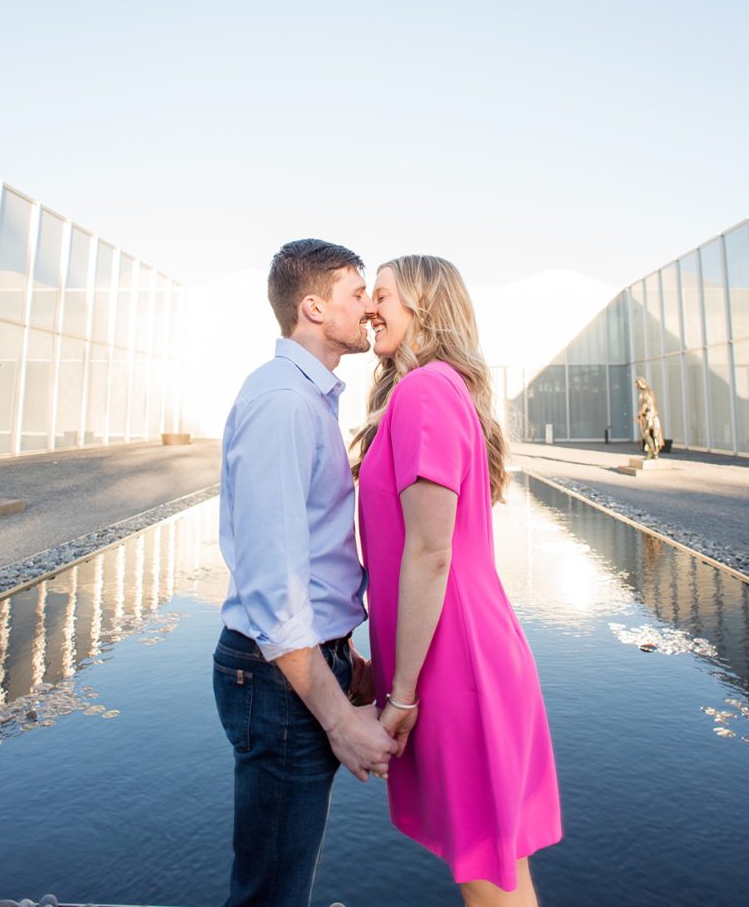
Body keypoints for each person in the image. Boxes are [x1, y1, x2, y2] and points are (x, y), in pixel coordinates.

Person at [353, 255, 562, 907]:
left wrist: (404, 694)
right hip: (459, 655)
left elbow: (429, 551)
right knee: (497, 871)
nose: (368, 309)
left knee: (488, 879)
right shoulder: (439, 390)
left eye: (381, 296)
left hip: (454, 665)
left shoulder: (424, 391)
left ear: (422, 305)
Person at [214, 239, 396, 907]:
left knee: (280, 882)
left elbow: (313, 561)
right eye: (357, 293)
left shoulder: (309, 397)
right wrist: (340, 720)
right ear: (313, 307)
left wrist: (346, 659)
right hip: (276, 678)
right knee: (271, 893)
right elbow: (272, 589)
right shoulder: (284, 404)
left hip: (301, 665)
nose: (370, 309)